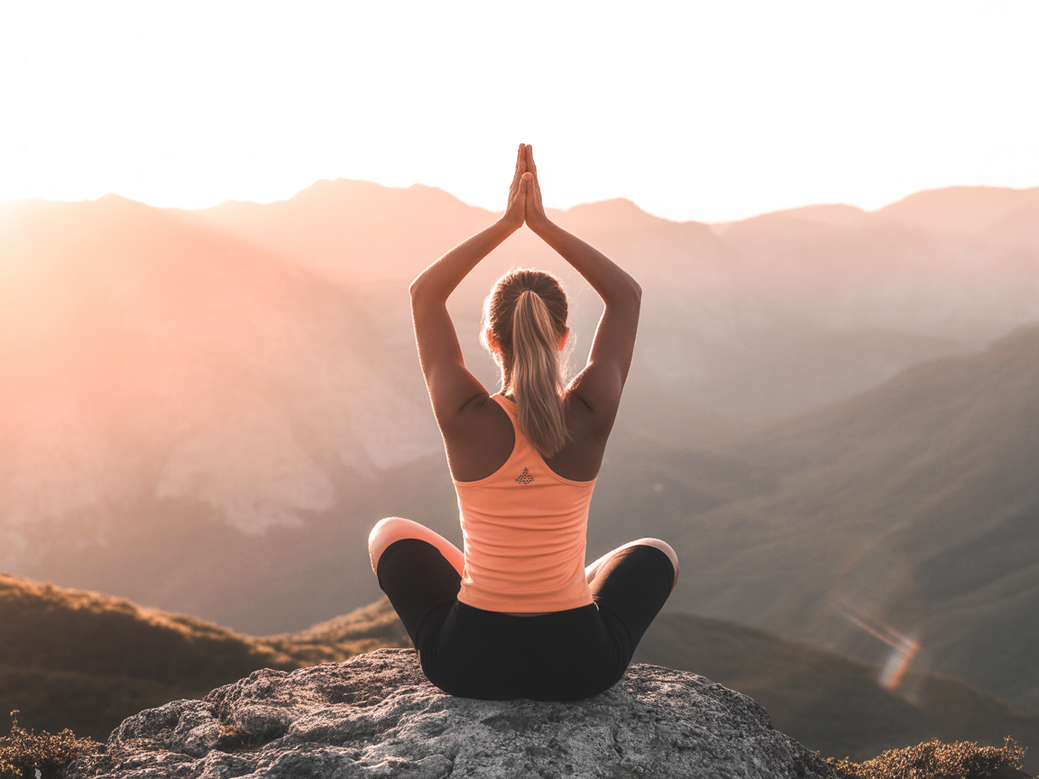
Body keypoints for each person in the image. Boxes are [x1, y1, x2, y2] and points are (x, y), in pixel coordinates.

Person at [368, 143, 678, 701]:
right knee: (658, 554)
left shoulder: (466, 415)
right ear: (563, 338)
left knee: (386, 533)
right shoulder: (589, 413)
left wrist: (508, 224)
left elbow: (425, 294)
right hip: (580, 665)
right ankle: (558, 589)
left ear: (490, 340)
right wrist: (543, 225)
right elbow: (626, 296)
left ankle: (495, 585)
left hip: (468, 664)